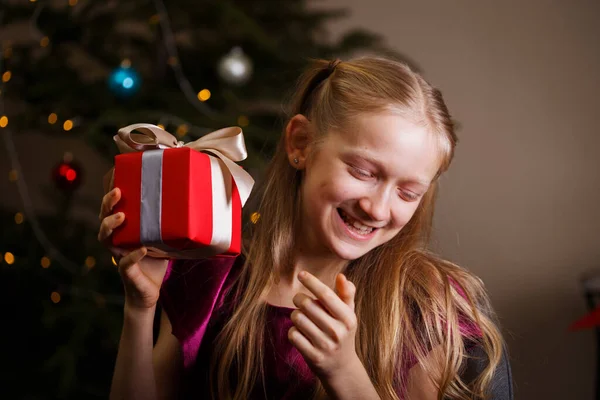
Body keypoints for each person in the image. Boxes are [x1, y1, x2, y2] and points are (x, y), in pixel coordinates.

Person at [99, 56, 511, 400]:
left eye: (407, 193)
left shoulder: (428, 308)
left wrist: (343, 371)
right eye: (363, 171)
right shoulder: (215, 279)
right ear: (300, 144)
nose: (377, 208)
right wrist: (140, 309)